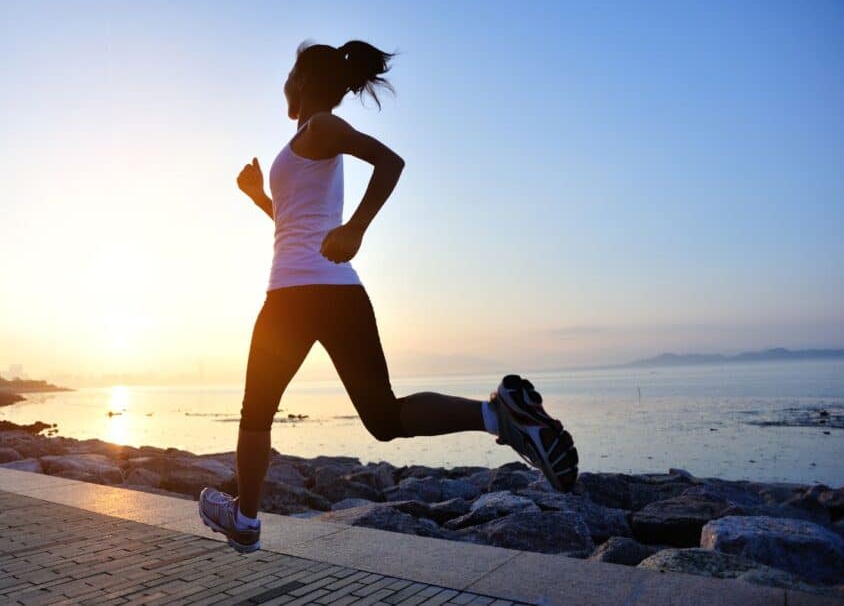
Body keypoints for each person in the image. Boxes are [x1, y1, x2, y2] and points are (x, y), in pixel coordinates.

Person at [199, 40, 578, 553]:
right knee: (382, 418)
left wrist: (356, 227)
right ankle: (500, 416)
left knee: (257, 412)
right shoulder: (301, 144)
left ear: (305, 80)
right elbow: (295, 225)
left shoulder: (321, 127)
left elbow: (390, 162)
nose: (284, 83)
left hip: (294, 297)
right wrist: (259, 198)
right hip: (330, 292)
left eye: (290, 74)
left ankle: (244, 521)